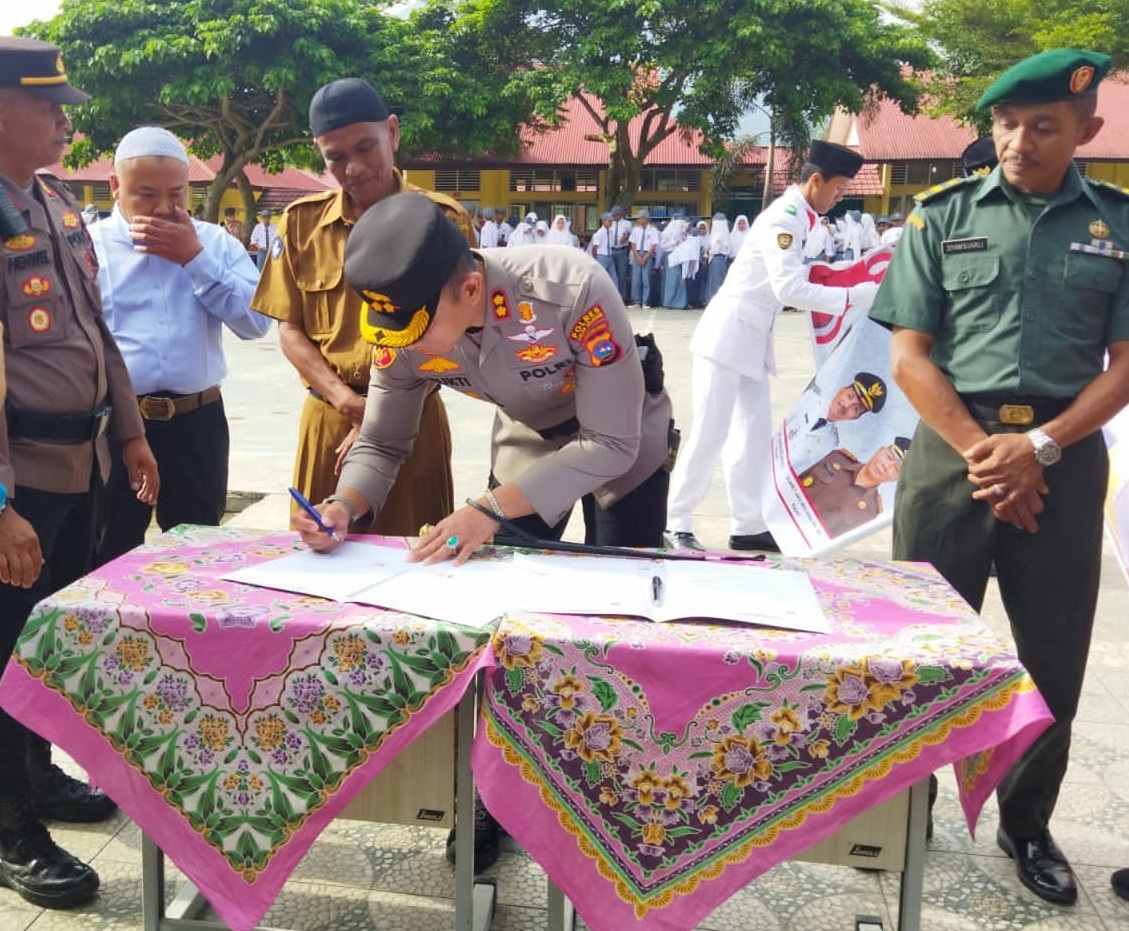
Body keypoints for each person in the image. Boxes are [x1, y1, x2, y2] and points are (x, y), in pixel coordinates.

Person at [296, 190, 673, 865]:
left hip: (622, 442)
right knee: (508, 627)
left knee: (620, 627)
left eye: (415, 328)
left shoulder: (568, 290)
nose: (401, 347)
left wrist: (489, 507)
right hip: (531, 438)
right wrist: (343, 506)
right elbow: (381, 443)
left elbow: (610, 440)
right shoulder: (403, 321)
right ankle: (494, 801)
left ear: (471, 288)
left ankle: (619, 795)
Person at [869, 48, 1129, 907]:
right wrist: (990, 452)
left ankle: (1026, 821)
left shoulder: (1118, 225)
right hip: (951, 460)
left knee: (1050, 653)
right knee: (923, 650)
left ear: (1086, 130)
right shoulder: (938, 217)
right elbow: (907, 356)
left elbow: (1124, 362)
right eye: (1006, 124)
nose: (1019, 140)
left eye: (1043, 125)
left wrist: (1041, 446)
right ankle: (912, 805)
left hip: (1062, 457)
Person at [0, 36, 159, 910]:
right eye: (49, 103)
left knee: (46, 644)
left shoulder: (56, 202)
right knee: (2, 652)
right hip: (18, 482)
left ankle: (38, 777)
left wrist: (131, 433)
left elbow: (97, 333)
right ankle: (10, 828)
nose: (67, 117)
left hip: (84, 463)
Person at [252, 77, 472, 533]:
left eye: (365, 147)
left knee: (418, 561)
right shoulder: (299, 224)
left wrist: (381, 416)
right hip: (328, 419)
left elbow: (463, 336)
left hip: (415, 420)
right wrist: (347, 402)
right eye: (335, 156)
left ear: (392, 132)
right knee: (320, 555)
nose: (353, 167)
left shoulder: (442, 222)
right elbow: (290, 330)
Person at [665, 141, 878, 553]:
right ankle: (677, 520)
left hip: (753, 340)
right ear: (815, 179)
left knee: (752, 436)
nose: (839, 198)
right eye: (837, 189)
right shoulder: (786, 217)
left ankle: (747, 524)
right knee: (710, 433)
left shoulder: (805, 219)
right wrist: (856, 296)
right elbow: (790, 288)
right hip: (726, 337)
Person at [90, 127, 270, 565]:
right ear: (115, 186)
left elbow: (256, 322)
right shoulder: (88, 247)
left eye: (177, 193)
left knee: (200, 551)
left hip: (197, 420)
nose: (165, 209)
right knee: (108, 550)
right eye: (146, 194)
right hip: (116, 424)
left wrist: (195, 259)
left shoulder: (213, 243)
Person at [798, 437, 909, 536]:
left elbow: (832, 540)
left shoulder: (870, 512)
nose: (886, 466)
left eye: (896, 468)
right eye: (889, 457)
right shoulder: (837, 458)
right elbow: (797, 477)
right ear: (880, 451)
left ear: (895, 479)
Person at [786, 372, 887, 471]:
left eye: (856, 408)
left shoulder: (830, 444)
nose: (846, 405)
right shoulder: (808, 399)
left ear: (855, 417)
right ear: (841, 390)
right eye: (850, 396)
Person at [628, 209, 659, 307]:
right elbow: (632, 244)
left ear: (645, 219)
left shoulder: (653, 230)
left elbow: (653, 246)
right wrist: (637, 256)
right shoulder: (635, 229)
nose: (638, 220)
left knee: (646, 279)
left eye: (640, 218)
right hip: (637, 254)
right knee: (636, 279)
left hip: (647, 255)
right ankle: (636, 301)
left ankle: (645, 302)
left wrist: (645, 258)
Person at [704, 212, 730, 302]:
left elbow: (715, 250)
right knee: (717, 280)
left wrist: (708, 251)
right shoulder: (724, 234)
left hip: (716, 259)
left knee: (716, 281)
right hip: (721, 260)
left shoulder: (718, 236)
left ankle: (714, 301)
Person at [608, 204, 632, 299]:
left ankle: (622, 297)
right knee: (612, 275)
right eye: (613, 215)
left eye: (616, 215)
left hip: (622, 251)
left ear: (620, 214)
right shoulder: (610, 223)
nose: (614, 217)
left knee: (622, 275)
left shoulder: (627, 224)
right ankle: (612, 297)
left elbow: (632, 237)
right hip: (612, 250)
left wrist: (627, 237)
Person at [589, 211, 617, 283]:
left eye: (611, 221)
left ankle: (614, 294)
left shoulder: (611, 232)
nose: (611, 223)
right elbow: (594, 247)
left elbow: (611, 244)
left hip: (610, 256)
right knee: (600, 277)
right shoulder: (599, 233)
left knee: (614, 278)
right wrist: (596, 258)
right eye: (609, 221)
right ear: (604, 221)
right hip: (602, 256)